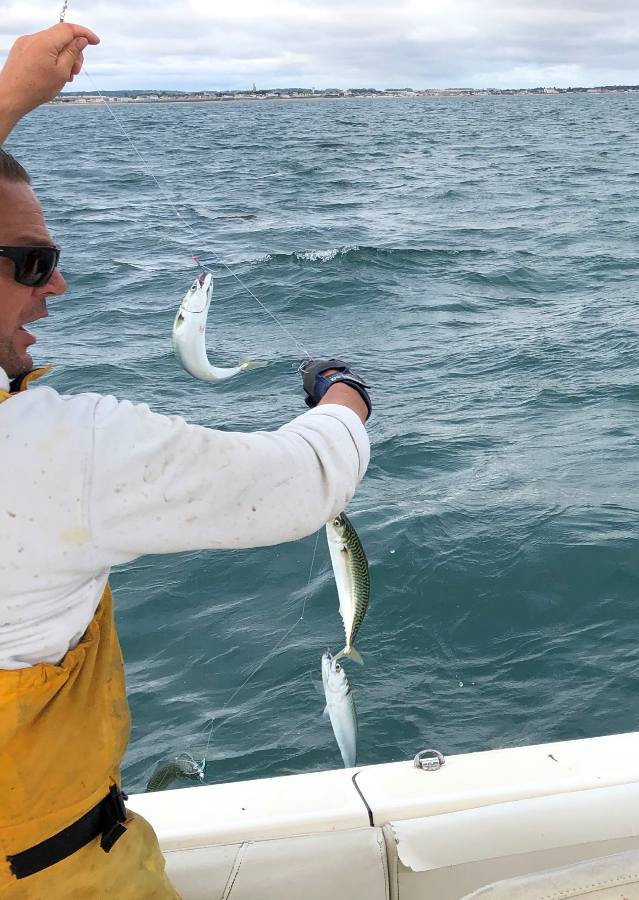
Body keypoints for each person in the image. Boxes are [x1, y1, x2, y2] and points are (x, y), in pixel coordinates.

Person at [0, 24, 373, 898]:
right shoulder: (55, 453)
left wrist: (12, 97)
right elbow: (302, 484)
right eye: (32, 264)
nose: (57, 286)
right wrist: (346, 396)